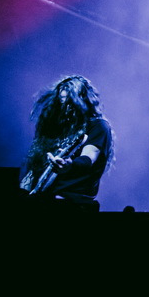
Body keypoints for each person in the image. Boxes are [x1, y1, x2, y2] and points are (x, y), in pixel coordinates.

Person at [20, 74, 115, 211]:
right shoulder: (58, 128)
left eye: (71, 102)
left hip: (71, 205)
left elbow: (89, 156)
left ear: (84, 101)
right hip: (43, 200)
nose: (65, 107)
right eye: (62, 101)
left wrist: (70, 164)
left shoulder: (98, 126)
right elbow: (34, 167)